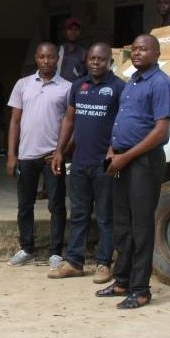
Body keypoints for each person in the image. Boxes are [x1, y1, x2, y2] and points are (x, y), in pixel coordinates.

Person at [97, 34, 170, 309]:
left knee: (141, 226)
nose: (137, 53)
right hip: (121, 159)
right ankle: (122, 281)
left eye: (144, 49)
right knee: (122, 223)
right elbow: (123, 122)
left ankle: (141, 290)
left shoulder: (161, 84)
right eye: (134, 50)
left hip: (143, 162)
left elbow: (160, 131)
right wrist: (112, 150)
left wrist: (126, 156)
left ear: (156, 53)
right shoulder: (131, 81)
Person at [49, 43, 126, 283]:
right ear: (87, 60)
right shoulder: (77, 86)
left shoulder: (118, 88)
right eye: (92, 58)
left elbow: (123, 122)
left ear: (109, 61)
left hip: (104, 163)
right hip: (80, 161)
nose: (95, 63)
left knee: (104, 216)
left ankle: (104, 264)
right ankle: (74, 262)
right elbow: (69, 121)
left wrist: (115, 149)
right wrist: (60, 151)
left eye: (100, 59)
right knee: (79, 214)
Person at [6, 42, 71, 269]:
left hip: (52, 157)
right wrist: (12, 155)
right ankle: (26, 248)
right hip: (26, 155)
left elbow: (71, 124)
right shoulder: (22, 85)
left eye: (51, 57)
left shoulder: (66, 87)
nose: (46, 61)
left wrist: (61, 152)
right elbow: (14, 122)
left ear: (57, 59)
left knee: (56, 204)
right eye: (42, 57)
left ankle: (55, 252)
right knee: (25, 204)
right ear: (36, 58)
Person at [57, 17, 88, 82]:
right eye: (70, 29)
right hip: (56, 89)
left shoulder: (84, 54)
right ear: (64, 32)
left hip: (75, 89)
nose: (73, 32)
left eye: (76, 29)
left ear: (80, 33)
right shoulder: (57, 50)